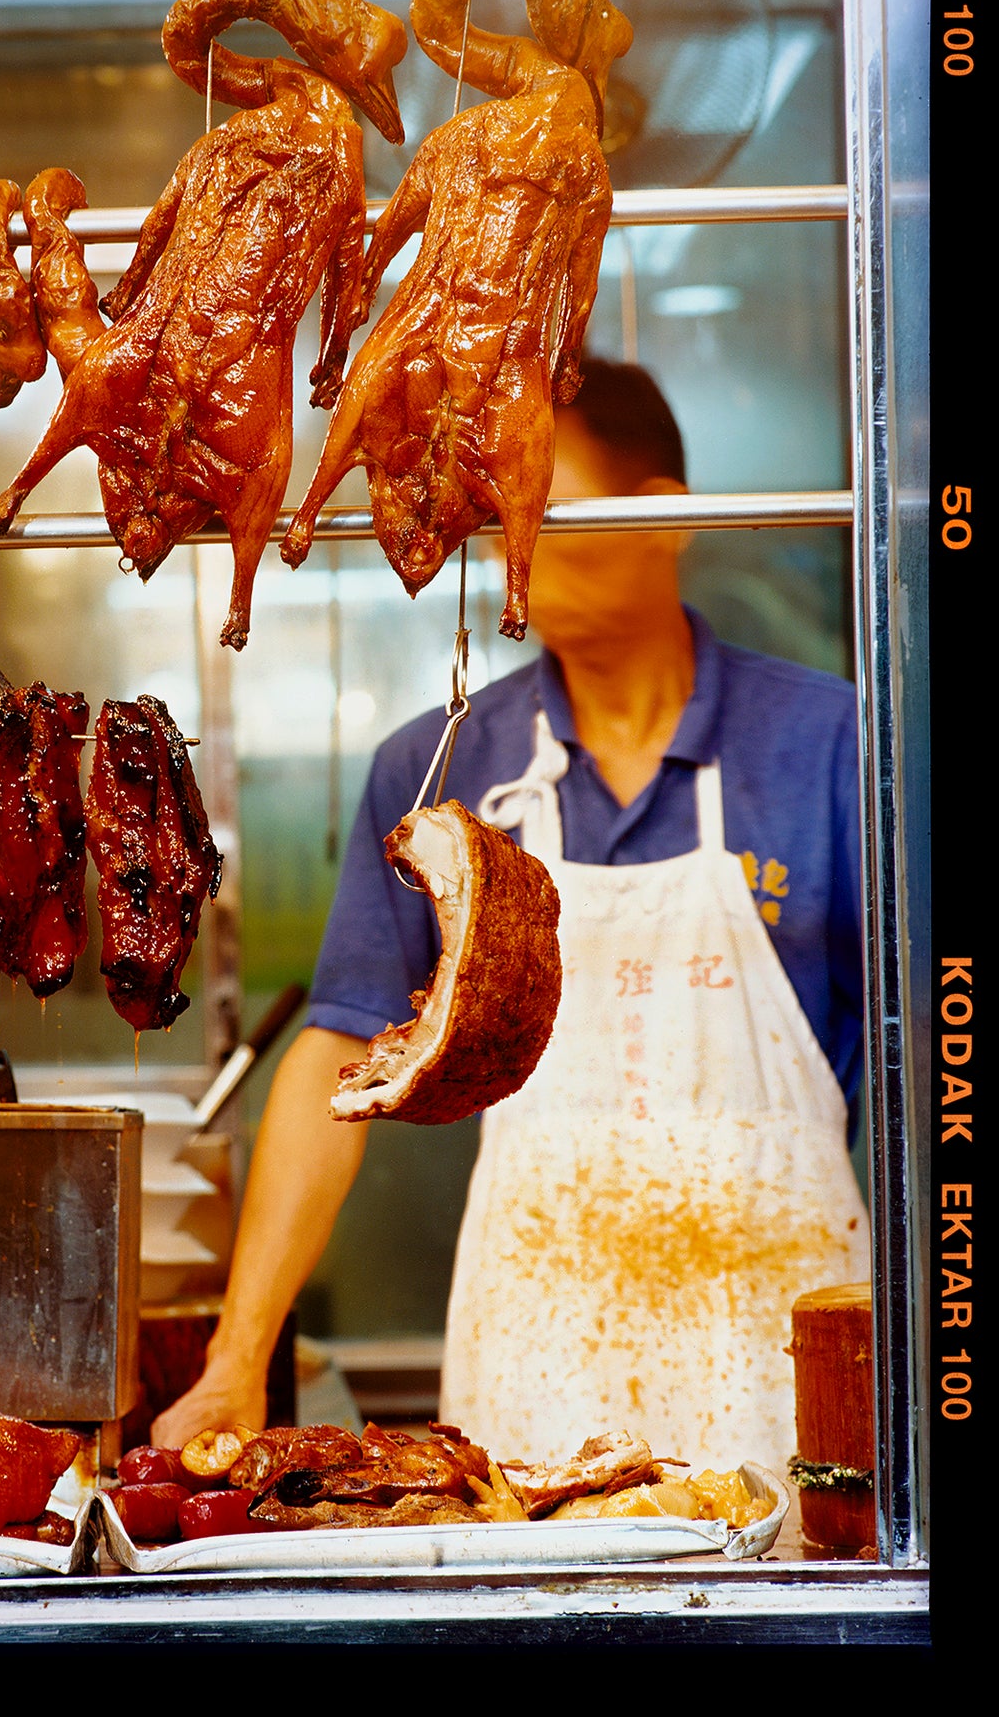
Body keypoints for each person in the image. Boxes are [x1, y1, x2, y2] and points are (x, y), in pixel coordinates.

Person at [152, 358, 867, 1472]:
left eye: (540, 502)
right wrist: (236, 1355)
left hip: (789, 1376)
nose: (505, 544)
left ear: (663, 519)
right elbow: (337, 1051)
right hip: (537, 1367)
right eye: (493, 511)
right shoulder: (441, 766)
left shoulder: (836, 746)